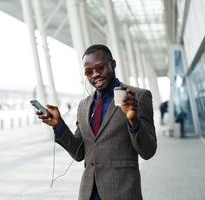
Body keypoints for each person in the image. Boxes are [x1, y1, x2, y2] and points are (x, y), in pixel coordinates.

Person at [36, 44, 157, 200]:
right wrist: (59, 125)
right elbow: (79, 153)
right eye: (88, 72)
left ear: (113, 64)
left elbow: (148, 151)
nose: (95, 74)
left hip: (122, 193)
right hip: (88, 194)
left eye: (100, 68)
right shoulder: (83, 105)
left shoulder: (138, 96)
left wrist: (133, 120)